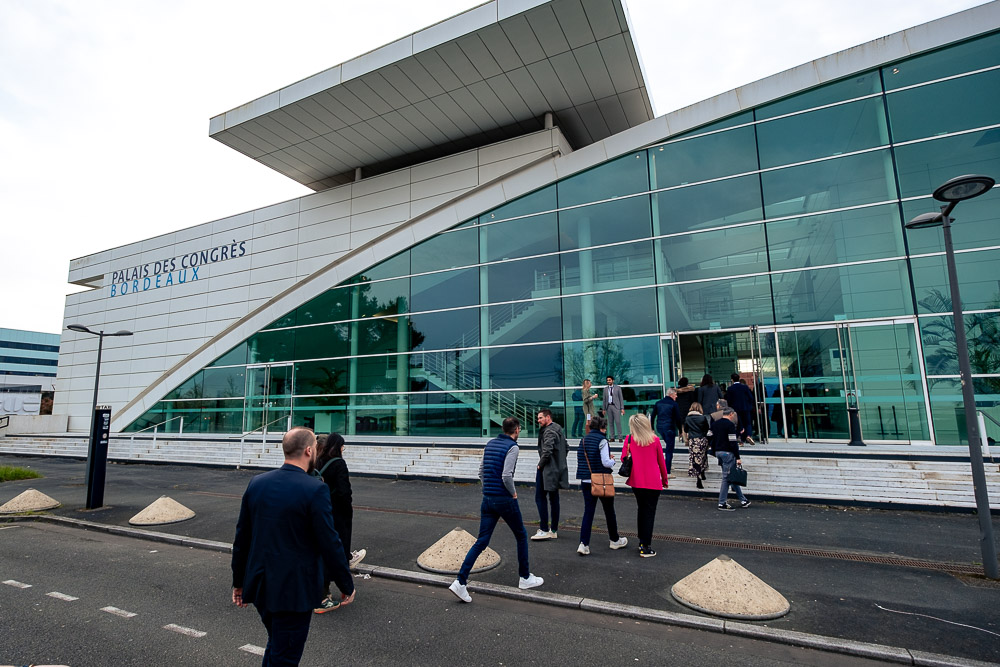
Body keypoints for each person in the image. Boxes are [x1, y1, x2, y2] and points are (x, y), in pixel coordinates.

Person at [231, 427, 356, 666]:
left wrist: (239, 581)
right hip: (293, 592)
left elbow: (242, 538)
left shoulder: (257, 483)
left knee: (277, 645)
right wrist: (346, 584)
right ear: (309, 451)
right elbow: (330, 542)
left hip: (260, 585)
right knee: (286, 654)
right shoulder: (315, 490)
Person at [449, 417, 544, 603]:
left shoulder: (490, 443)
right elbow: (507, 475)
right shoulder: (513, 447)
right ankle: (525, 577)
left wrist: (488, 488)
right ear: (516, 429)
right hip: (504, 499)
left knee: (482, 541)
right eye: (519, 429)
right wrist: (513, 493)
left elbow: (481, 472)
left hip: (488, 499)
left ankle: (460, 582)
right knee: (521, 535)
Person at [314, 433, 366, 612]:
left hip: (322, 509)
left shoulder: (319, 460)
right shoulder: (339, 463)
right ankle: (344, 589)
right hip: (338, 512)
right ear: (338, 446)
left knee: (324, 550)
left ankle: (324, 590)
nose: (344, 448)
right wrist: (348, 507)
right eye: (343, 445)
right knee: (339, 549)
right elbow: (344, 491)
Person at [575, 415, 628, 555]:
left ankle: (583, 543)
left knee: (588, 512)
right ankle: (614, 540)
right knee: (609, 510)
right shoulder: (602, 440)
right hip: (601, 480)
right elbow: (605, 462)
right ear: (602, 428)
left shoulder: (583, 440)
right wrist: (613, 461)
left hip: (586, 480)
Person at [621, 413, 668, 557]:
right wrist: (665, 480)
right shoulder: (654, 440)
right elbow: (661, 462)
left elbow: (624, 458)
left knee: (641, 510)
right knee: (649, 513)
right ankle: (645, 545)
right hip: (653, 481)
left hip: (637, 481)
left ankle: (642, 541)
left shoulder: (629, 439)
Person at [532, 409, 568, 541]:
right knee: (554, 499)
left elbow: (547, 450)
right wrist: (559, 461)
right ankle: (553, 530)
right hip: (556, 469)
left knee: (540, 498)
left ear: (548, 417)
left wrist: (540, 465)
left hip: (547, 469)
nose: (538, 420)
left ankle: (544, 529)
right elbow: (566, 447)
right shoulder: (558, 429)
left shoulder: (549, 431)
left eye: (541, 418)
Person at [709, 408, 750, 511]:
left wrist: (714, 449)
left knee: (731, 475)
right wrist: (738, 457)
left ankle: (743, 500)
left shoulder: (715, 424)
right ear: (731, 414)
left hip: (718, 452)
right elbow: (733, 442)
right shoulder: (730, 425)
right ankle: (722, 503)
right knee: (726, 478)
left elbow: (709, 436)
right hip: (727, 452)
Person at [649, 388, 681, 474]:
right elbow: (678, 418)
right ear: (671, 395)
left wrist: (652, 427)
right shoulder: (674, 404)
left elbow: (652, 416)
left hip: (660, 427)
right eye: (675, 394)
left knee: (668, 445)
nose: (676, 396)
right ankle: (667, 469)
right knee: (669, 449)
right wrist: (680, 430)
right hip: (669, 427)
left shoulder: (658, 403)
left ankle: (667, 464)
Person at [683, 402, 711, 489]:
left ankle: (698, 478)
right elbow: (706, 428)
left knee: (694, 458)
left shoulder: (688, 418)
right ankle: (703, 472)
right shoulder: (703, 418)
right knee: (703, 456)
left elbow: (686, 429)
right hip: (702, 439)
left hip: (693, 440)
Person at [725, 373, 756, 444]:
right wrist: (749, 405)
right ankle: (748, 435)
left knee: (738, 424)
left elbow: (729, 400)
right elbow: (751, 397)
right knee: (748, 423)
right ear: (739, 379)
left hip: (736, 409)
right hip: (745, 408)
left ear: (732, 380)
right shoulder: (745, 387)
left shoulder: (730, 388)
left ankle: (740, 439)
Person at [674, 377, 697, 445]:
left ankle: (685, 440)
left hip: (680, 410)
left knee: (683, 426)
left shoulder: (677, 392)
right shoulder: (690, 391)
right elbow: (693, 401)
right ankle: (690, 438)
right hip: (689, 410)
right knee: (690, 425)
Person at [603, 376, 624, 441]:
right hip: (608, 406)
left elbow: (621, 398)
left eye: (609, 380)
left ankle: (620, 437)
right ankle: (612, 437)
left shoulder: (618, 388)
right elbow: (604, 399)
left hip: (616, 406)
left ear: (613, 380)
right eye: (607, 380)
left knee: (617, 422)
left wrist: (622, 408)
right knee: (610, 422)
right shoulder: (605, 389)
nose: (608, 381)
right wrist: (604, 409)